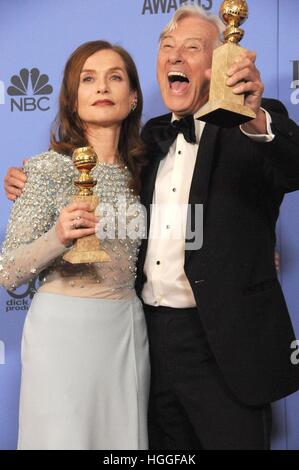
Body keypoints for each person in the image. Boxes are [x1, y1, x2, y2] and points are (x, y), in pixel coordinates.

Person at [4, 5, 299, 450]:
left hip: (223, 346)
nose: (176, 57)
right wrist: (34, 186)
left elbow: (290, 165)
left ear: (221, 60)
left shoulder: (254, 121)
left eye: (192, 48)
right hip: (149, 339)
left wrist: (254, 116)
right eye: (167, 48)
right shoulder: (148, 144)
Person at [0, 40, 150, 450]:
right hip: (62, 332)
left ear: (133, 97)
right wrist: (58, 237)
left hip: (126, 330)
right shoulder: (45, 170)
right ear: (72, 98)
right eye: (88, 79)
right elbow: (8, 270)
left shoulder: (147, 170)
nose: (102, 87)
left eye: (115, 77)